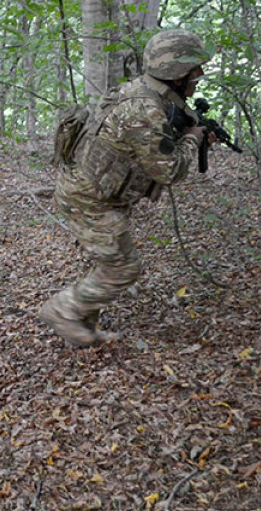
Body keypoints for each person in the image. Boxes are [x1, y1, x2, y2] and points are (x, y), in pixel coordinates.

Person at [39, 28, 214, 347]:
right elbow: (170, 171)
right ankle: (63, 311)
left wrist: (185, 132)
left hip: (96, 191)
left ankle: (82, 331)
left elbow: (144, 146)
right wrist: (193, 139)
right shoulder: (145, 108)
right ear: (175, 72)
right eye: (193, 70)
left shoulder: (145, 92)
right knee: (123, 267)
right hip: (89, 199)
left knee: (109, 260)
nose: (198, 76)